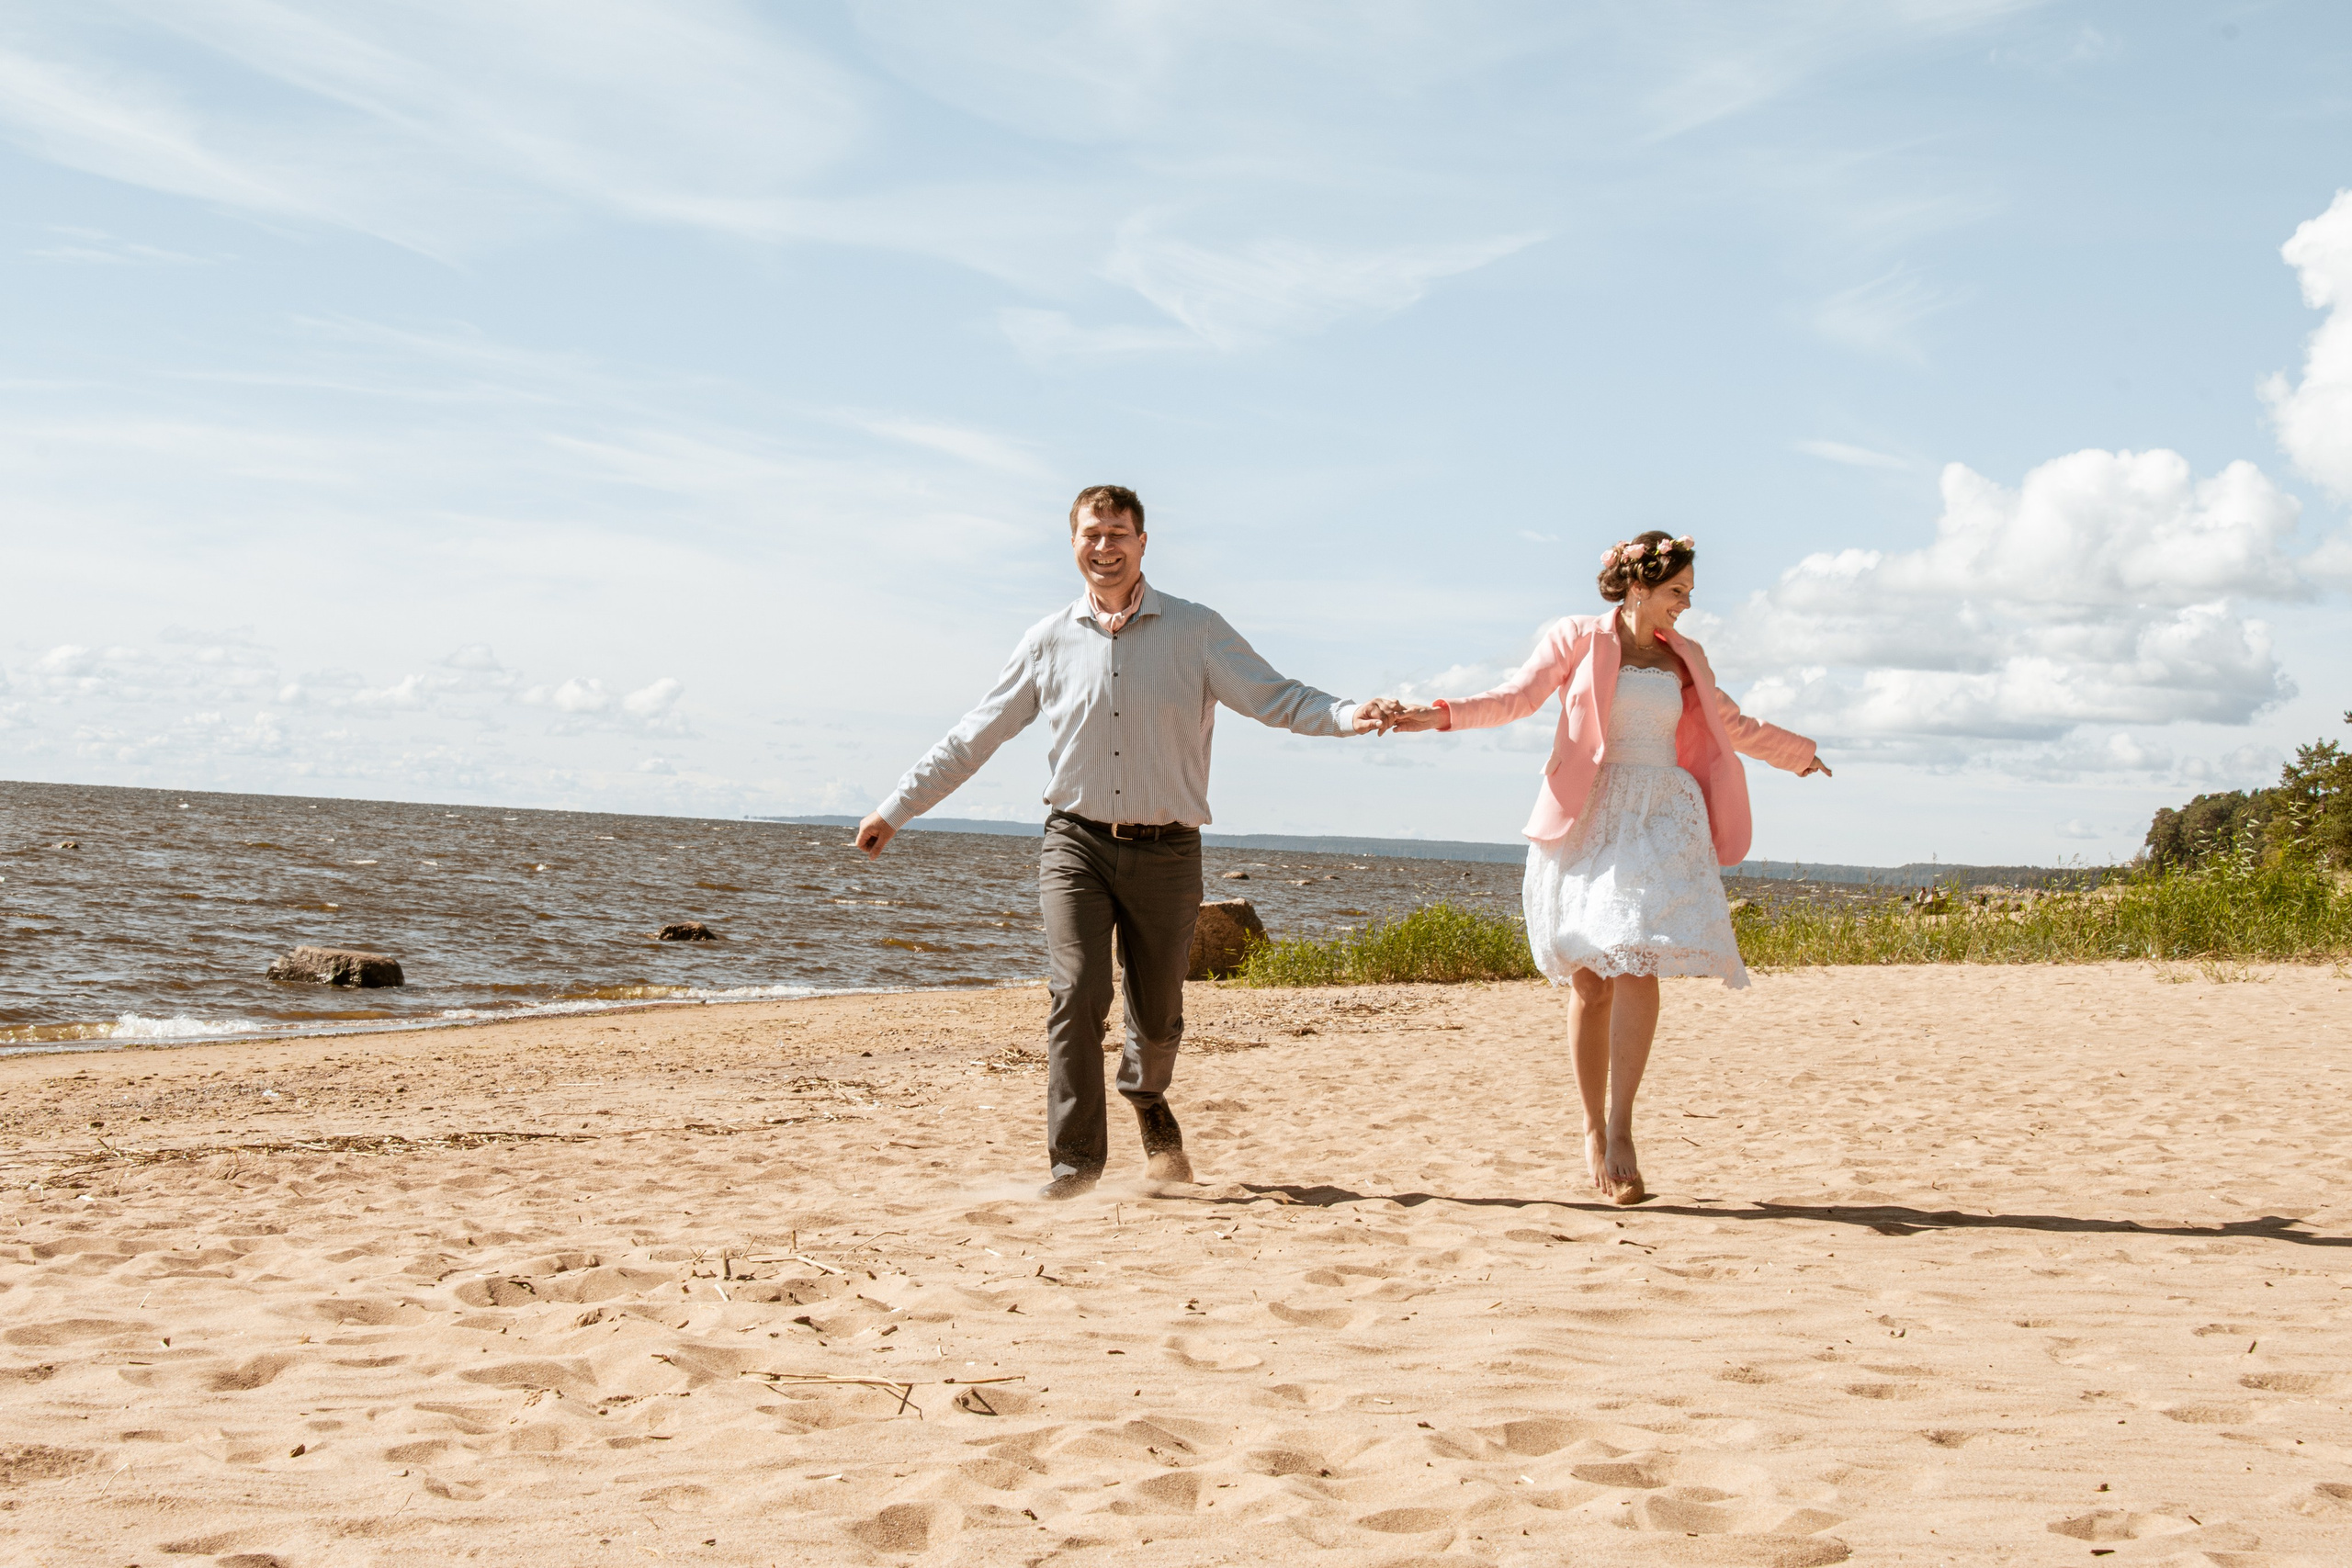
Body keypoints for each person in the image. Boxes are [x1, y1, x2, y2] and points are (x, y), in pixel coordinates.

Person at [855, 485, 1384, 1199]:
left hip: (1168, 849)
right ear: (1072, 543)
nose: (1104, 548)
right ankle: (1075, 1166)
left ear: (1142, 543)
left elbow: (1278, 697)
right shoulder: (1047, 640)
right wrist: (897, 807)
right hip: (1075, 842)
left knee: (1159, 1016)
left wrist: (1354, 714)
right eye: (1091, 535)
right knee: (1077, 991)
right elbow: (975, 733)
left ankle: (1145, 1093)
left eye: (1118, 534)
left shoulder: (1195, 631)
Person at [1379, 530, 1828, 1205]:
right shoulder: (1578, 638)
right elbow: (1515, 697)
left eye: (1689, 594)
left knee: (1640, 957)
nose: (1685, 605)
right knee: (1591, 978)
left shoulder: (1687, 658)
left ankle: (1622, 1130)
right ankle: (1591, 1127)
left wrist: (1798, 753)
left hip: (1660, 817)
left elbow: (1733, 723)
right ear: (1639, 585)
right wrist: (1433, 715)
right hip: (1589, 813)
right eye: (1678, 592)